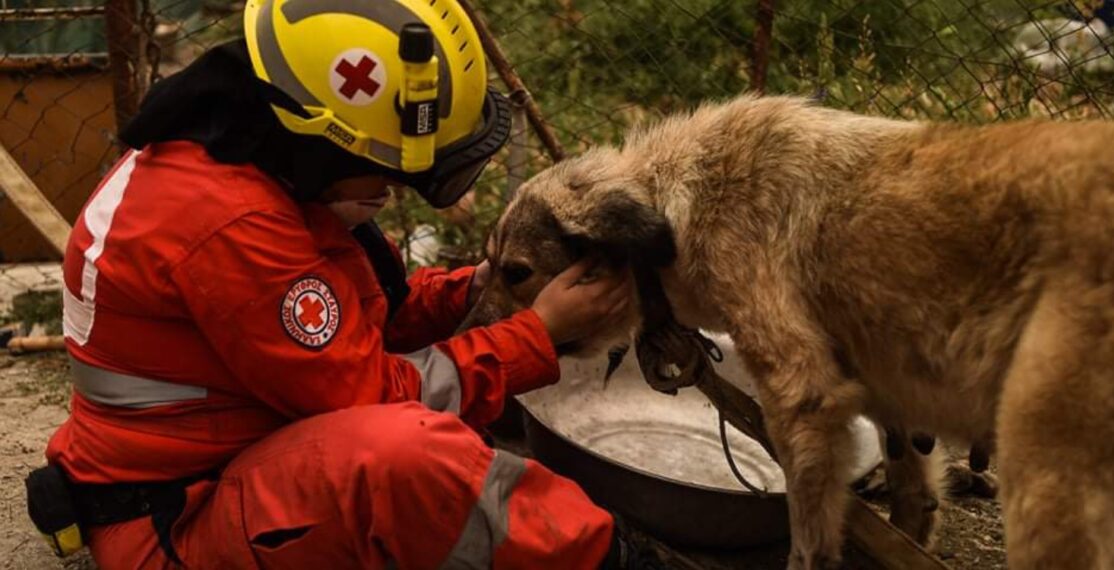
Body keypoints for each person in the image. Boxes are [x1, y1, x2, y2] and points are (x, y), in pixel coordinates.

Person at [30, 1, 658, 568]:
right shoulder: (230, 223)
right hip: (176, 522)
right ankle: (608, 560)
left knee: (432, 447)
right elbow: (368, 396)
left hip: (234, 457)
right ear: (331, 139)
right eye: (383, 170)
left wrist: (473, 291)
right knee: (409, 459)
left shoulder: (250, 155)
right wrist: (537, 335)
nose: (390, 192)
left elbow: (363, 322)